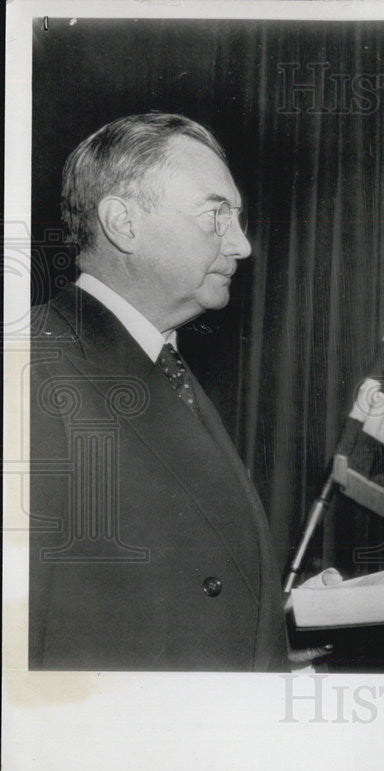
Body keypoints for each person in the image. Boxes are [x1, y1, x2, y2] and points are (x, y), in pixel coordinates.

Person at [29, 113, 288, 671]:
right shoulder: (31, 370)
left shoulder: (164, 366)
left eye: (237, 218)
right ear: (123, 222)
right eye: (215, 215)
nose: (241, 245)